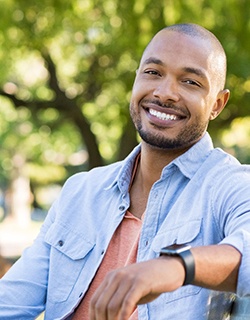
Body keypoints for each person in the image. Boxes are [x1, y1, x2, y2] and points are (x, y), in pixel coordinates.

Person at [0, 22, 250, 320]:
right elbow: (11, 304)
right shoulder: (81, 191)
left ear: (217, 105)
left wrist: (176, 267)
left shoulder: (229, 185)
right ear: (136, 80)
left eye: (190, 82)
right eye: (153, 72)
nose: (165, 92)